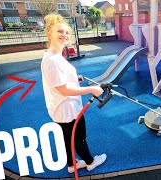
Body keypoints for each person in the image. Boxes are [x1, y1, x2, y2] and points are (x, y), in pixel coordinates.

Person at [40, 13, 107, 174]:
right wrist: (91, 89)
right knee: (79, 138)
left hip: (60, 109)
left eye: (67, 32)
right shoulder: (53, 60)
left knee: (67, 138)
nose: (64, 35)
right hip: (68, 109)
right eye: (60, 31)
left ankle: (72, 164)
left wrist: (73, 78)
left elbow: (58, 81)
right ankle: (91, 162)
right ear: (50, 33)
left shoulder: (53, 56)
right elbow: (63, 90)